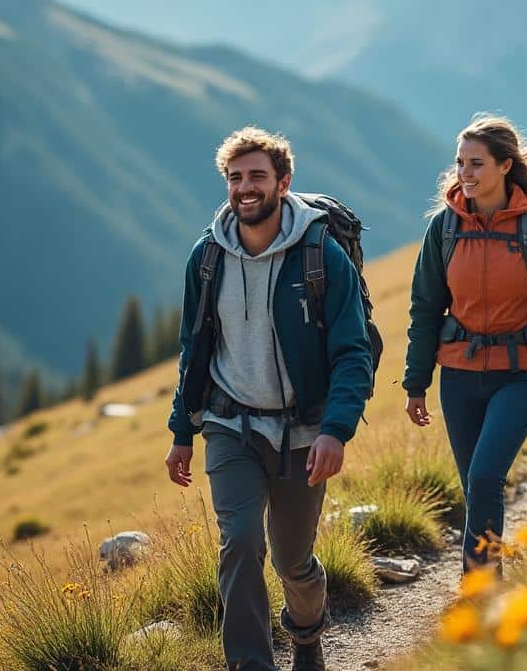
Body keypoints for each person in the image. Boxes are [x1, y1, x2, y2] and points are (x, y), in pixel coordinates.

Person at [165, 127, 374, 671]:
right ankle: (250, 663)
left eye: (257, 176)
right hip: (229, 424)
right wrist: (181, 432)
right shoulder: (207, 257)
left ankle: (307, 634)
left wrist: (336, 429)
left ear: (283, 181)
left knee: (291, 560)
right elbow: (193, 348)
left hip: (303, 432)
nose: (245, 187)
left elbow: (353, 352)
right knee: (238, 544)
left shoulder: (321, 257)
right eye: (235, 177)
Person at [402, 115, 527, 570]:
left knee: (485, 477)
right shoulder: (444, 229)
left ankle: (478, 588)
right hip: (459, 377)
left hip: (520, 373)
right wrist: (415, 383)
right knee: (475, 487)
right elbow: (425, 309)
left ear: (506, 166)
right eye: (461, 162)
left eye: (477, 163)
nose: (465, 172)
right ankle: (490, 575)